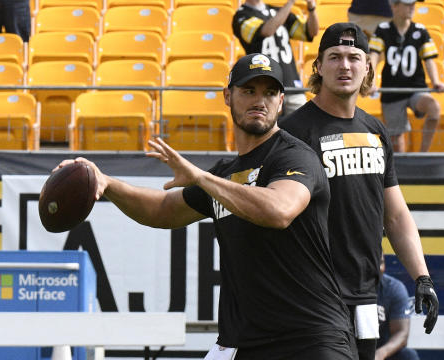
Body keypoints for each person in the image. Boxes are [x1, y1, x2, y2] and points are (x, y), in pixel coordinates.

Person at [55, 53, 355, 360]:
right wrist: (105, 182)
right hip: (245, 343)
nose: (259, 101)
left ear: (281, 101)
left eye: (269, 93)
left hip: (310, 339)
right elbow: (162, 209)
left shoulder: (295, 156)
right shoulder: (224, 173)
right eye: (249, 91)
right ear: (228, 96)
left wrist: (200, 177)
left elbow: (279, 210)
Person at [279, 22, 438, 360]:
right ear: (318, 66)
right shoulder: (292, 132)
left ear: (368, 66)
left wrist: (421, 277)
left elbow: (395, 215)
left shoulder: (375, 130)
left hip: (367, 295)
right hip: (313, 295)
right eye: (334, 57)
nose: (345, 65)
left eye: (354, 57)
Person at [368, 0, 444, 153]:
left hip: (416, 88)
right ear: (394, 6)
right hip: (392, 91)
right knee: (396, 140)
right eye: (407, 4)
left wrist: (436, 81)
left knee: (434, 108)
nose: (412, 7)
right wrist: (370, 81)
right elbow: (373, 57)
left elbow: (429, 59)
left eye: (413, 4)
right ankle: (403, 172)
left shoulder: (420, 30)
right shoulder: (382, 30)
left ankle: (423, 156)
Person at [232, 0, 318, 116]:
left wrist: (311, 8)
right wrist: (291, 2)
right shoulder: (241, 16)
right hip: (266, 86)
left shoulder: (278, 11)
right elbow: (267, 30)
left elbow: (311, 32)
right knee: (271, 130)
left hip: (292, 84)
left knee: (300, 129)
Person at [376, 251, 419, 360]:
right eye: (372, 263)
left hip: (381, 351)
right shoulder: (346, 287)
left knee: (408, 356)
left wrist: (380, 353)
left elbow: (401, 333)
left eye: (381, 262)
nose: (378, 268)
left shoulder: (393, 288)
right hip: (350, 350)